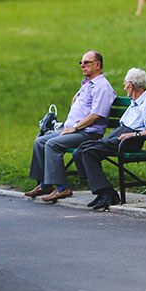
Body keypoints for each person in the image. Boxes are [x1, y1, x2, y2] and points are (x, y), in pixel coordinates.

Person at [25, 50, 117, 202]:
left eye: (86, 62)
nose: (82, 65)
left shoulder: (102, 87)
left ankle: (62, 188)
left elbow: (96, 115)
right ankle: (45, 183)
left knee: (52, 144)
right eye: (81, 62)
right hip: (75, 129)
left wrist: (74, 128)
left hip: (88, 132)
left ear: (97, 65)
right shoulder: (87, 84)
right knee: (40, 140)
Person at [72, 68, 146, 210]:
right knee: (80, 150)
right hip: (120, 135)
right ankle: (102, 191)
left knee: (89, 152)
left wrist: (133, 135)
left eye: (125, 84)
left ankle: (108, 193)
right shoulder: (134, 101)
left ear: (131, 86)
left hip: (130, 140)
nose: (124, 87)